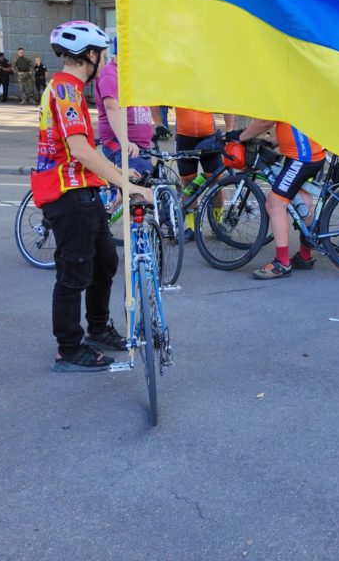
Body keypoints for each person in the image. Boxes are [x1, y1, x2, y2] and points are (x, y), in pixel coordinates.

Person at [32, 20, 148, 372]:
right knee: (75, 272)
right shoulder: (66, 89)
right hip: (67, 194)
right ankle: (68, 347)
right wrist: (126, 185)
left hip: (83, 189)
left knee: (104, 262)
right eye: (102, 54)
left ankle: (98, 328)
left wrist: (118, 174)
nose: (103, 60)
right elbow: (81, 150)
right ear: (92, 55)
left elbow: (82, 153)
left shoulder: (70, 89)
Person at [227, 119, 326, 279]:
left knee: (275, 204)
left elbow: (265, 122)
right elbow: (292, 123)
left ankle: (282, 263)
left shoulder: (283, 95)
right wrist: (272, 142)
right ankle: (305, 255)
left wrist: (241, 137)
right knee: (302, 199)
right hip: (308, 153)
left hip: (301, 157)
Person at [93, 41, 159, 182]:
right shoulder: (110, 73)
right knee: (137, 181)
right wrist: (125, 140)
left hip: (141, 144)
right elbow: (112, 108)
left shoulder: (133, 74)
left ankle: (117, 200)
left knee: (151, 182)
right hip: (119, 141)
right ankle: (117, 202)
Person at [174, 107, 227, 240]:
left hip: (209, 136)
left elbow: (225, 101)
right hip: (184, 137)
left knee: (217, 183)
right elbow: (158, 98)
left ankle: (217, 224)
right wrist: (158, 123)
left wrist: (230, 127)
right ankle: (192, 228)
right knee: (188, 183)